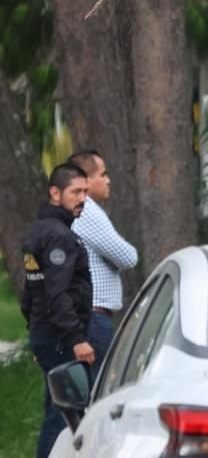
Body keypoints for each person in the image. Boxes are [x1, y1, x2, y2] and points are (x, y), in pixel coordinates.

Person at [21, 162, 93, 458]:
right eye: (76, 192)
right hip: (61, 337)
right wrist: (77, 339)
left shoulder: (40, 231)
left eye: (85, 191)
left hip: (46, 334)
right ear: (55, 192)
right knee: (63, 412)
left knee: (61, 408)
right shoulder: (59, 236)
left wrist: (35, 335)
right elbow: (56, 294)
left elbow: (28, 296)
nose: (83, 199)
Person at [68, 150, 138, 383]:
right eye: (103, 174)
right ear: (85, 181)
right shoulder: (87, 209)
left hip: (89, 313)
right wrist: (113, 258)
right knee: (96, 387)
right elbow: (127, 257)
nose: (108, 180)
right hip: (93, 315)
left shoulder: (83, 209)